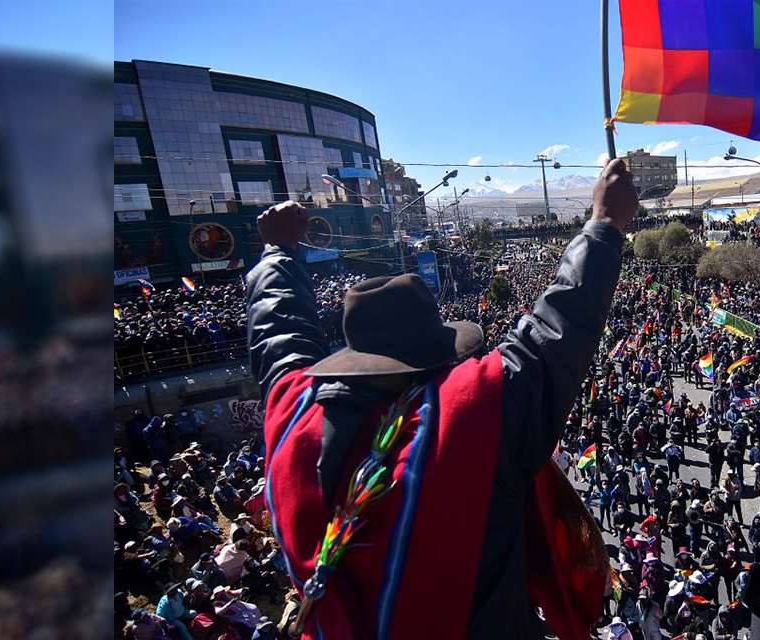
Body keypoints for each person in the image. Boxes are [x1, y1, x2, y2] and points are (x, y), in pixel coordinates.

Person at [251, 159, 638, 639]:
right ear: (438, 354)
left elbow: (279, 338)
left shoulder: (295, 419)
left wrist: (276, 254)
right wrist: (602, 226)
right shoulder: (466, 424)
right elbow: (553, 334)